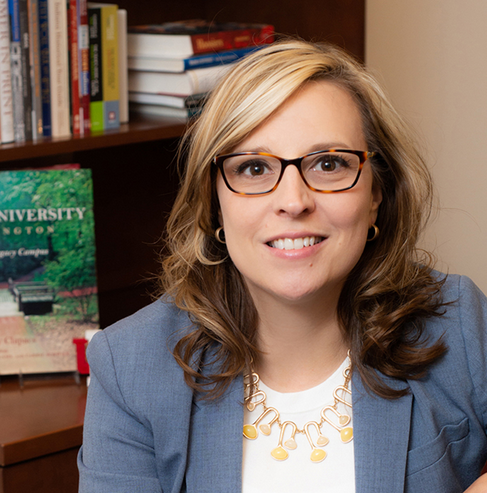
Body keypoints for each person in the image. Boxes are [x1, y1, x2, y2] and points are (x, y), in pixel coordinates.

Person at [78, 39, 487, 492]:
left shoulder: (460, 324)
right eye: (254, 169)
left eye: (328, 163)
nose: (293, 202)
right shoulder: (129, 366)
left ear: (376, 194)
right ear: (214, 202)